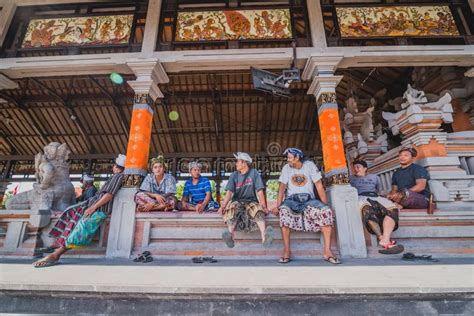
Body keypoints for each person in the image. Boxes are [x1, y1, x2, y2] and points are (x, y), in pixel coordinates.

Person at [33, 154, 126, 268]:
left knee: (80, 229)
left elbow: (109, 195)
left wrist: (93, 207)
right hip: (92, 206)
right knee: (70, 213)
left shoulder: (118, 176)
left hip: (100, 209)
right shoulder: (115, 176)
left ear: (116, 167)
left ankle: (56, 255)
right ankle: (57, 244)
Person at [272, 148, 340, 264]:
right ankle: (287, 251)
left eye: (289, 158)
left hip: (309, 200)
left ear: (297, 158)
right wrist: (278, 206)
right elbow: (282, 188)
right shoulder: (286, 168)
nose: (287, 160)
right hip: (291, 200)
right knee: (283, 211)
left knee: (326, 212)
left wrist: (325, 205)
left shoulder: (309, 166)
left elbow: (319, 186)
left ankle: (327, 251)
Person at [218, 152, 273, 248]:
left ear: (244, 163)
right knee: (232, 209)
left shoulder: (254, 173)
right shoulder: (234, 175)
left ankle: (264, 237)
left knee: (257, 210)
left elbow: (260, 191)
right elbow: (229, 193)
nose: (236, 164)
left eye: (238, 161)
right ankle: (230, 235)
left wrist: (264, 207)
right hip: (237, 200)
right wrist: (223, 206)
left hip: (251, 200)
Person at [349, 160, 404, 255]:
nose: (355, 169)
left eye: (358, 167)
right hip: (360, 197)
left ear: (365, 168)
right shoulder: (350, 178)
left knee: (392, 209)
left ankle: (385, 239)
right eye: (354, 167)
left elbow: (379, 190)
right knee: (367, 210)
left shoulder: (374, 177)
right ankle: (382, 238)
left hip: (375, 196)